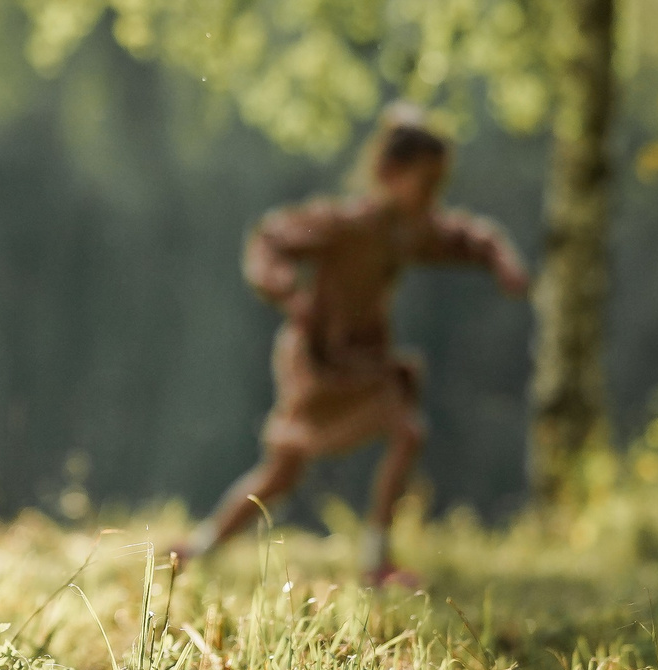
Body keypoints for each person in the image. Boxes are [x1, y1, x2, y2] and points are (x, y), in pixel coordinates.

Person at [175, 106, 528, 586]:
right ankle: (203, 549)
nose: (433, 199)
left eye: (439, 187)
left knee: (398, 433)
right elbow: (272, 238)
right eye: (425, 185)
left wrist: (501, 260)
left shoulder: (408, 231)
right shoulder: (347, 225)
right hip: (317, 360)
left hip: (363, 362)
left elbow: (467, 237)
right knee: (284, 471)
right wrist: (283, 287)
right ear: (389, 174)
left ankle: (371, 561)